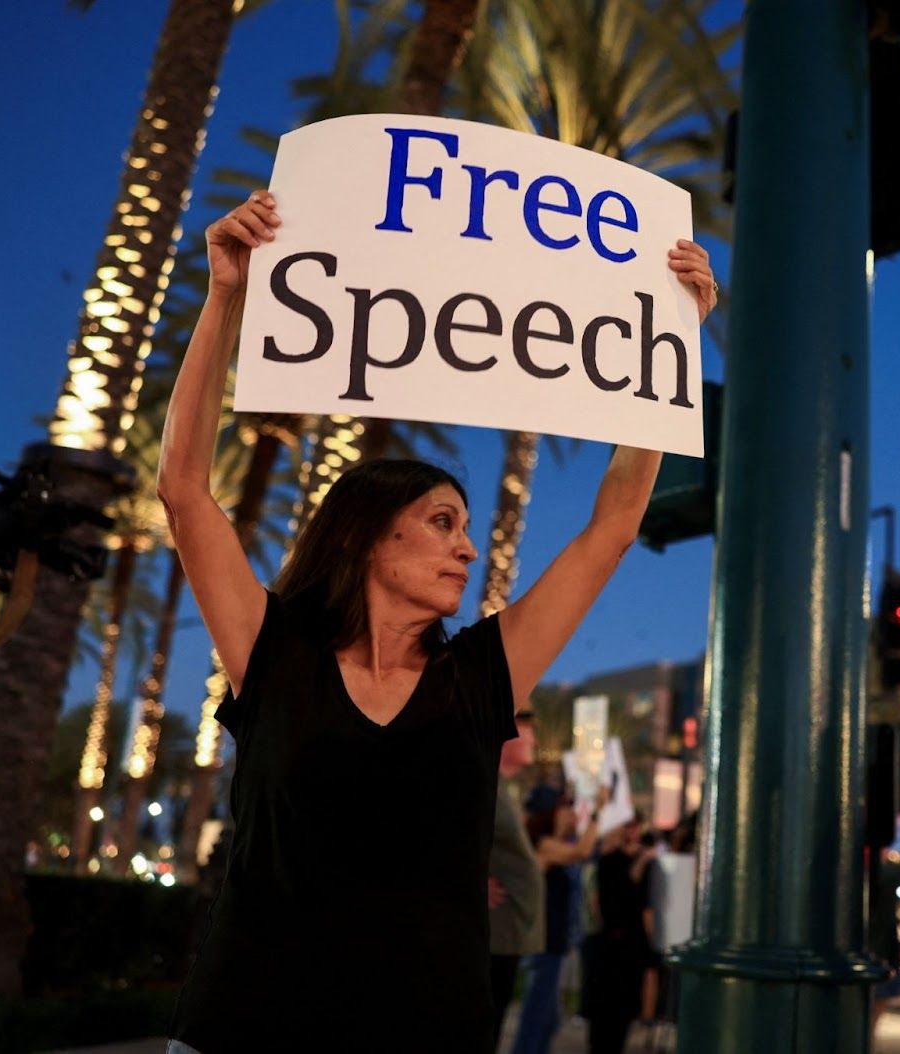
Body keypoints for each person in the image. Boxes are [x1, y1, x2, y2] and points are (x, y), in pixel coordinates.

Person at [159, 189, 716, 1053]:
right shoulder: (275, 655)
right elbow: (185, 491)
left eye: (466, 526)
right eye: (441, 522)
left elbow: (610, 530)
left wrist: (671, 338)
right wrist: (226, 293)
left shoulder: (482, 676)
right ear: (366, 537)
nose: (466, 548)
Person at [512, 785, 605, 1054]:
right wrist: (597, 812)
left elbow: (586, 849)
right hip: (544, 945)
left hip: (553, 943)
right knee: (536, 1018)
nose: (570, 813)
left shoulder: (552, 842)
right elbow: (582, 852)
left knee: (549, 1019)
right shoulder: (541, 845)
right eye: (564, 808)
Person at [488, 710, 543, 1050]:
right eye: (528, 731)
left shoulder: (502, 787)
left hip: (505, 934)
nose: (535, 740)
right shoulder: (483, 781)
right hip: (493, 934)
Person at [585, 812, 659, 1054]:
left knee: (623, 1005)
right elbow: (618, 890)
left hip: (631, 940)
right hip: (612, 940)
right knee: (605, 1006)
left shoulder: (645, 861)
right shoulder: (611, 860)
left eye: (635, 826)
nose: (631, 831)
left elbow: (646, 905)